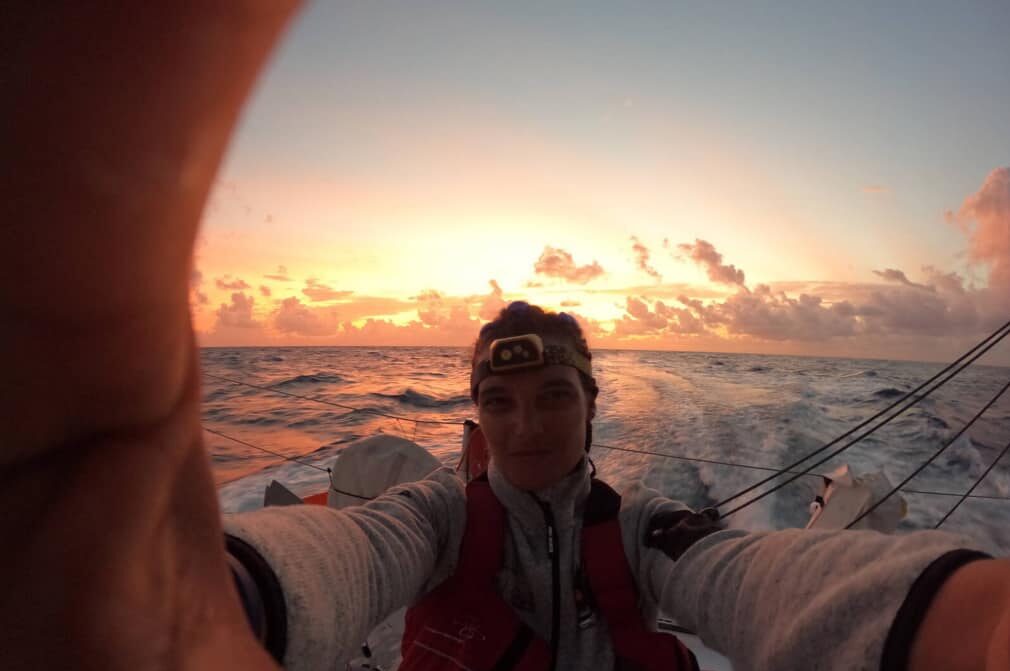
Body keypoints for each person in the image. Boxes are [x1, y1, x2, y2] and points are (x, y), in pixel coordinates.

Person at [2, 4, 1008, 671]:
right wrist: (217, 590)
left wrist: (957, 617)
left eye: (554, 396)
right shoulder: (434, 516)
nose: (526, 424)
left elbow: (746, 575)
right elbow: (351, 547)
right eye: (500, 399)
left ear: (591, 404)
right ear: (476, 413)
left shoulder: (643, 527)